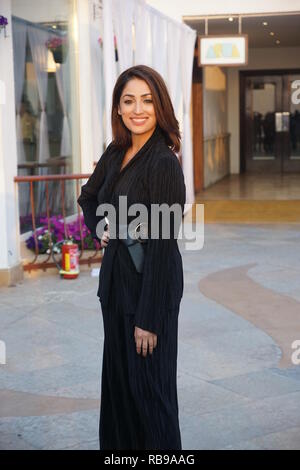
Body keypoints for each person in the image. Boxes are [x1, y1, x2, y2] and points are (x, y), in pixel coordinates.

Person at [77, 65, 186, 450]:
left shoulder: (163, 162)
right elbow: (88, 198)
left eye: (147, 100)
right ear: (118, 108)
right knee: (121, 395)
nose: (137, 109)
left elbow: (161, 245)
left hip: (148, 298)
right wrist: (98, 227)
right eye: (128, 101)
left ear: (159, 106)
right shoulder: (116, 151)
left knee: (151, 400)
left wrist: (149, 319)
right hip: (115, 291)